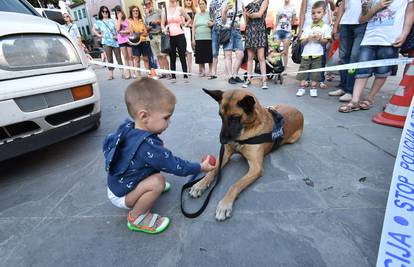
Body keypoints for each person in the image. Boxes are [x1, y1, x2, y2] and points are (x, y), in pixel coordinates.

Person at [103, 78, 216, 234]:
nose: (169, 122)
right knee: (158, 182)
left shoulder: (129, 127)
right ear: (144, 116)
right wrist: (200, 167)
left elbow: (108, 144)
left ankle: (141, 189)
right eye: (166, 117)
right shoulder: (147, 147)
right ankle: (137, 217)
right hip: (121, 194)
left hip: (118, 183)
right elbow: (176, 166)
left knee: (156, 158)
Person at [339, 0, 414, 113]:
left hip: (390, 39)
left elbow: (410, 13)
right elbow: (362, 19)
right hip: (369, 38)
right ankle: (354, 100)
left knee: (383, 70)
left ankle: (370, 98)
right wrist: (376, 7)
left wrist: (404, 34)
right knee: (362, 69)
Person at [328, 0, 366, 102]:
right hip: (345, 24)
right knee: (343, 57)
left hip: (361, 24)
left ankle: (350, 91)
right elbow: (342, 6)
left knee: (354, 57)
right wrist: (336, 25)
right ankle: (343, 87)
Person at [296, 1, 331, 97]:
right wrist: (308, 38)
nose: (315, 15)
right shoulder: (307, 28)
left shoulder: (325, 27)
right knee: (303, 71)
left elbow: (326, 41)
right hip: (306, 54)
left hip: (318, 54)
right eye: (313, 13)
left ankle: (313, 88)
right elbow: (302, 42)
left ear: (324, 13)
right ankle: (301, 87)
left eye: (318, 12)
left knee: (316, 72)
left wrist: (319, 38)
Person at [161, 0, 192, 82]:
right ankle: (173, 76)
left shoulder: (180, 9)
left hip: (180, 35)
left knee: (182, 56)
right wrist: (164, 29)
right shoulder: (164, 10)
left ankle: (185, 76)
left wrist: (184, 24)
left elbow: (189, 19)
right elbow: (162, 24)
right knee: (172, 57)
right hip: (170, 36)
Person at [242, 0, 270, 89]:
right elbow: (246, 21)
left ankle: (264, 80)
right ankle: (248, 79)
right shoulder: (249, 4)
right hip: (250, 30)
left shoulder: (264, 1)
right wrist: (245, 13)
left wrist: (249, 14)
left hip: (260, 30)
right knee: (250, 58)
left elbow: (259, 14)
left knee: (261, 57)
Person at [92, 6, 124, 80]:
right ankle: (111, 75)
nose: (105, 13)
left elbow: (117, 29)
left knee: (118, 57)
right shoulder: (99, 22)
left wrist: (116, 34)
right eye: (103, 11)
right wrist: (99, 35)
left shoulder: (112, 20)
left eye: (106, 11)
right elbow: (93, 29)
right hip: (106, 42)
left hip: (115, 41)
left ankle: (122, 73)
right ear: (101, 12)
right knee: (109, 59)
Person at [144, 0, 170, 78]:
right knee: (158, 56)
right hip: (152, 36)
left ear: (152, 3)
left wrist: (157, 22)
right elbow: (146, 28)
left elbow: (164, 22)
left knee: (164, 55)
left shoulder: (159, 11)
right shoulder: (146, 16)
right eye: (146, 4)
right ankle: (162, 72)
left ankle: (168, 72)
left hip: (159, 35)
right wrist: (148, 27)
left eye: (149, 3)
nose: (148, 5)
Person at [222, 0, 244, 84]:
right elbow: (223, 21)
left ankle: (235, 75)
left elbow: (242, 16)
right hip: (228, 30)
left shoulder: (240, 3)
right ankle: (230, 76)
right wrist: (225, 11)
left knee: (240, 54)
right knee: (228, 55)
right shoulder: (225, 2)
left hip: (237, 31)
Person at [273, 0, 296, 75]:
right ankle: (276, 67)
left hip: (287, 32)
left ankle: (285, 69)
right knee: (276, 50)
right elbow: (276, 21)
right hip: (278, 31)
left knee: (285, 51)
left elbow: (293, 21)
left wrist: (289, 28)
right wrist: (274, 31)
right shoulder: (279, 8)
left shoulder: (293, 8)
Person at [128, 5, 151, 78]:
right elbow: (132, 33)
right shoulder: (130, 21)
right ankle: (138, 75)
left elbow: (146, 33)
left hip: (144, 41)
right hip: (135, 42)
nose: (135, 12)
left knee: (146, 58)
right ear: (131, 12)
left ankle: (148, 73)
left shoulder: (141, 20)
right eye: (134, 11)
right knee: (137, 59)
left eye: (137, 11)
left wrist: (138, 32)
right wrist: (140, 32)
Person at [192, 0, 213, 77]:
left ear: (206, 5)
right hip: (198, 38)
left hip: (208, 38)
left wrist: (211, 24)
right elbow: (193, 27)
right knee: (200, 55)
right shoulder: (196, 15)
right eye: (200, 4)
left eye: (203, 4)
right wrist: (193, 39)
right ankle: (203, 71)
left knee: (209, 55)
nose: (201, 5)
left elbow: (213, 23)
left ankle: (211, 71)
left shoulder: (209, 14)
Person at [209, 0, 227, 79]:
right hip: (215, 29)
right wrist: (213, 23)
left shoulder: (227, 1)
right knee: (214, 52)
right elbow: (212, 16)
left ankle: (228, 73)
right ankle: (213, 72)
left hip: (226, 28)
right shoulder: (212, 3)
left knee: (227, 52)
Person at [114, 6, 133, 79]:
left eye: (119, 10)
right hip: (121, 41)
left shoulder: (126, 20)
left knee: (130, 56)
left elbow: (130, 31)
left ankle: (133, 72)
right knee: (125, 57)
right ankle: (128, 74)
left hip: (128, 40)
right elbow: (117, 29)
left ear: (122, 11)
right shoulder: (116, 20)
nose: (118, 12)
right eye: (117, 11)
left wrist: (124, 31)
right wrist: (119, 18)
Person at [182, 0, 196, 73]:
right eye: (187, 0)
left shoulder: (194, 11)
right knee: (188, 50)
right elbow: (182, 22)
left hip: (193, 31)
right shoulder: (182, 10)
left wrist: (192, 25)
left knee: (192, 49)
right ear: (184, 2)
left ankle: (191, 68)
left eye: (190, 0)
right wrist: (187, 24)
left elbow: (195, 21)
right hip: (185, 31)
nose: (189, 2)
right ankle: (188, 68)